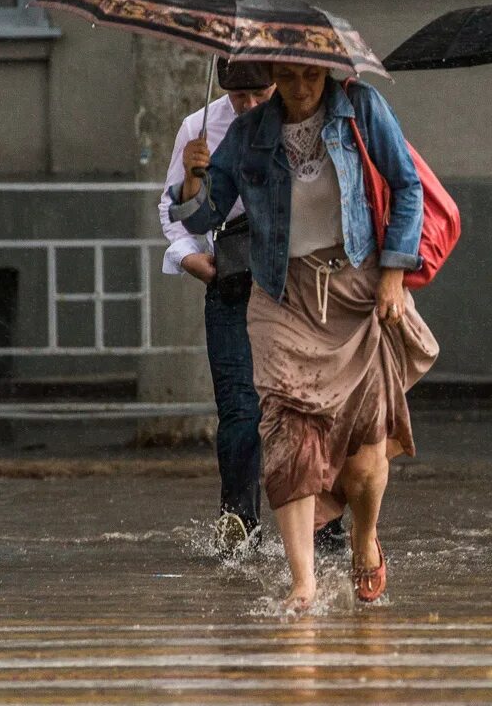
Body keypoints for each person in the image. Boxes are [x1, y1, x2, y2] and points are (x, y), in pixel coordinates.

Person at [169, 62, 439, 611]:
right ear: (274, 75)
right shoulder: (249, 133)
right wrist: (194, 179)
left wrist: (393, 272)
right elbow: (202, 218)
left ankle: (364, 539)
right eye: (289, 77)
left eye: (310, 77)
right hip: (281, 293)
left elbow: (407, 185)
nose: (300, 89)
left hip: (356, 287)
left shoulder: (361, 107)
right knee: (287, 431)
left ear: (326, 73)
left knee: (363, 453)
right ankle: (304, 582)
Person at [158, 59, 274, 555]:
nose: (247, 105)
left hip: (291, 277)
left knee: (303, 404)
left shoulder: (295, 122)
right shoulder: (199, 127)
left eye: (258, 95)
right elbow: (173, 210)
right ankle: (239, 521)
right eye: (237, 97)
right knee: (239, 407)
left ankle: (323, 524)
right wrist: (190, 258)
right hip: (229, 272)